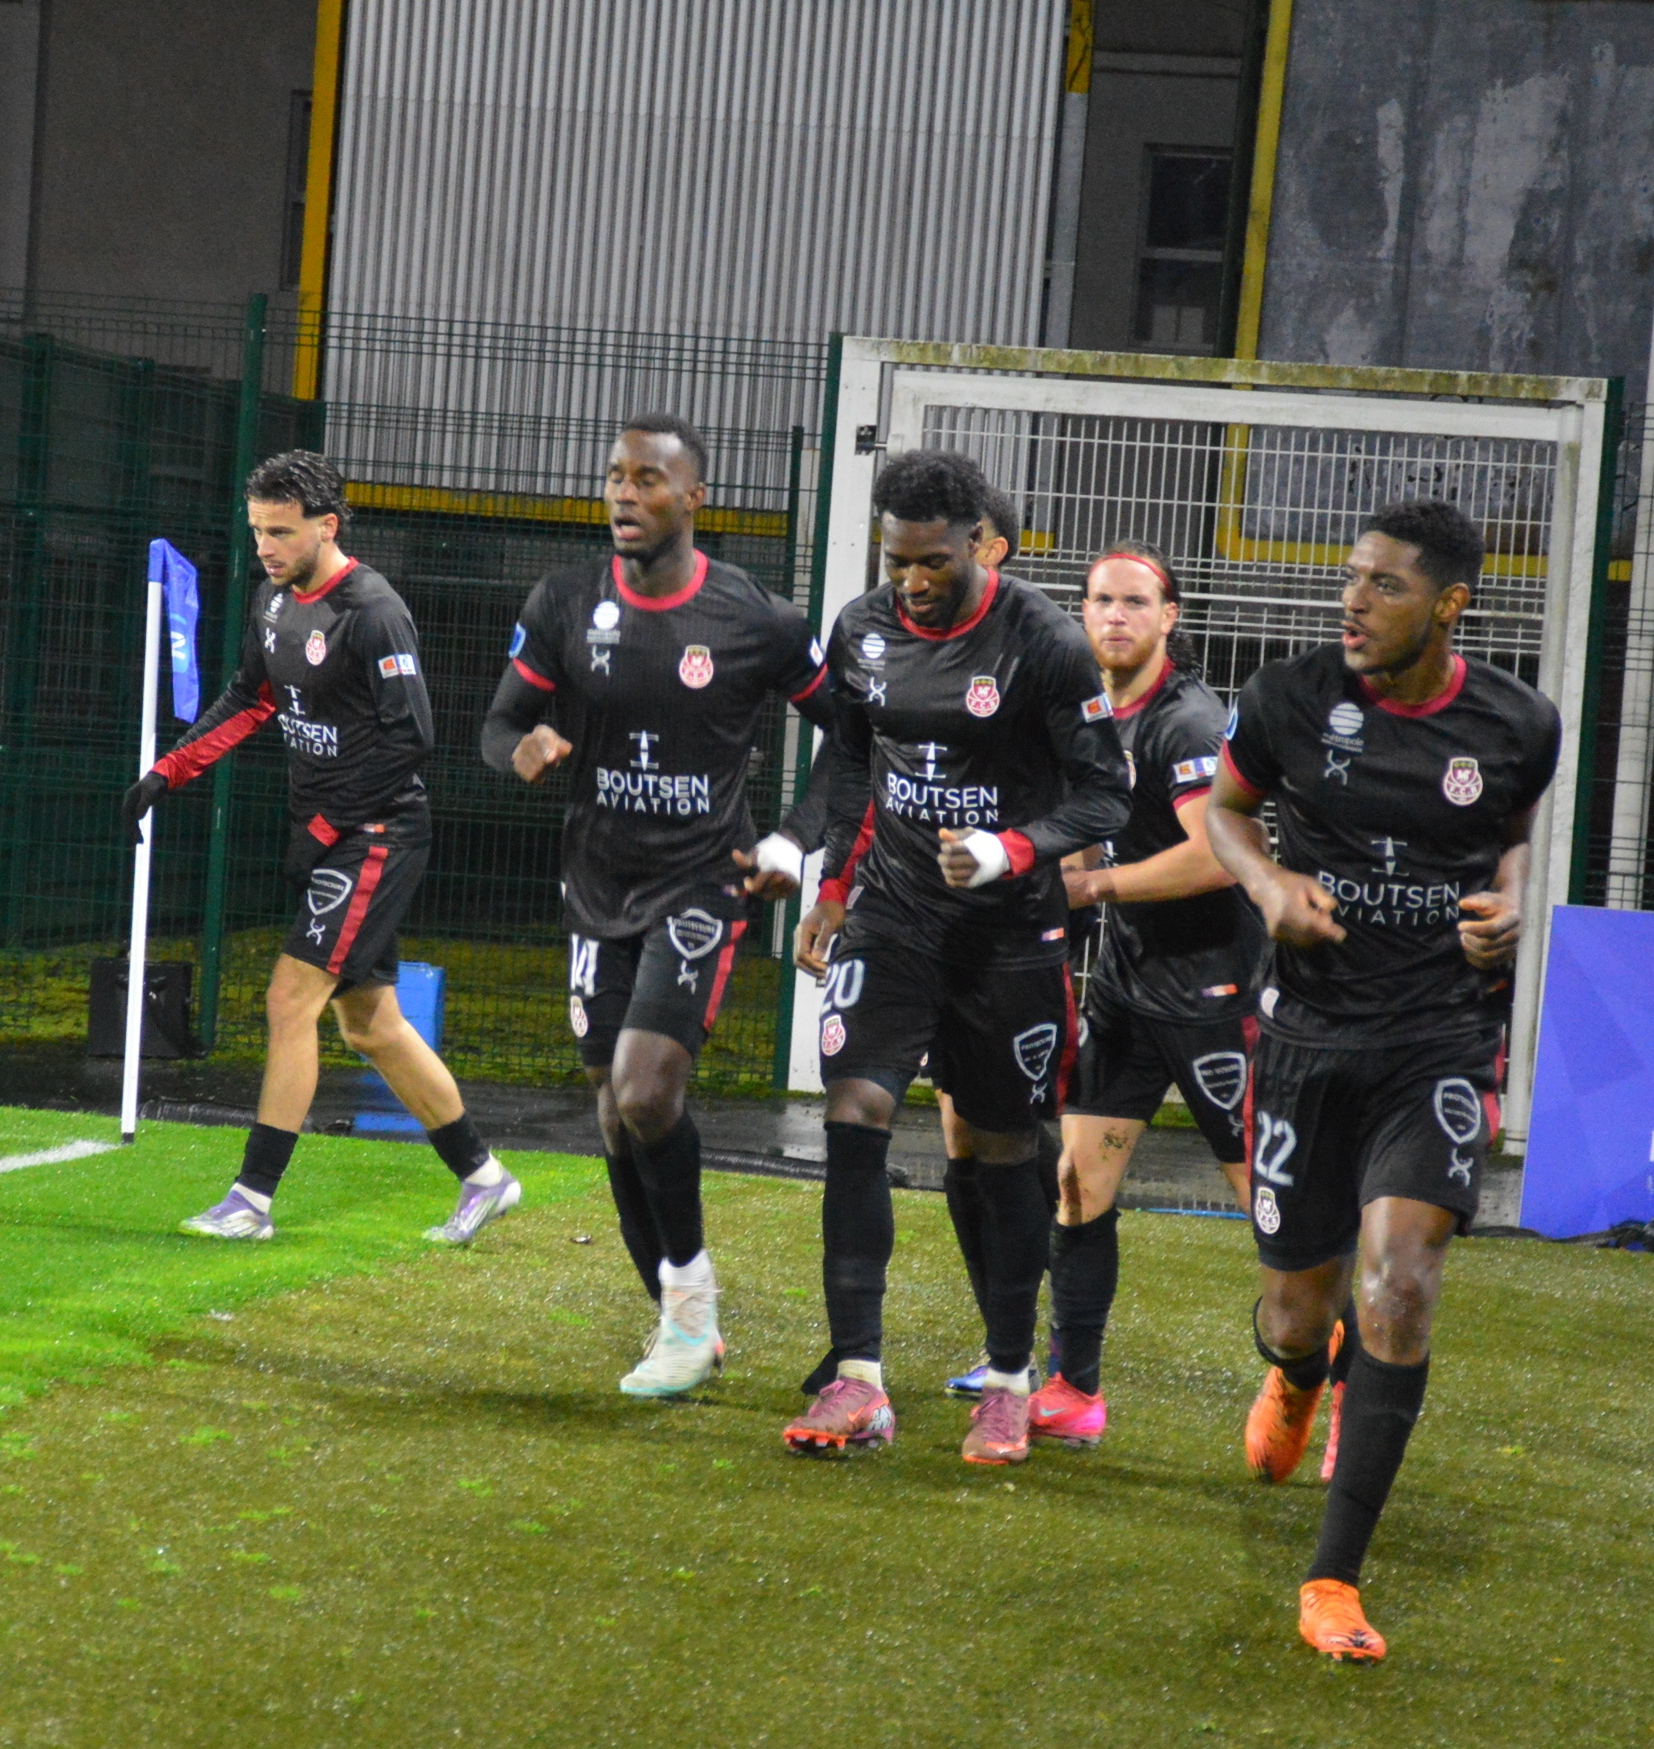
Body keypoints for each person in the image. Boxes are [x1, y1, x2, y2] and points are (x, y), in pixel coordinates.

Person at [1203, 498, 1558, 1664]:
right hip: (1305, 1036)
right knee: (1295, 1310)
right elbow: (1224, 811)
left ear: (1449, 604)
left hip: (1435, 1037)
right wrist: (1267, 887)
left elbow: (1511, 834)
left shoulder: (1517, 722)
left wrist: (1510, 900)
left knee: (1398, 1284)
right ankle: (1297, 1370)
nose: (1351, 602)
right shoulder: (1286, 697)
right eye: (1349, 578)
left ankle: (1331, 1576)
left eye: (1382, 585)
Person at [484, 412, 837, 1398]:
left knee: (645, 1092)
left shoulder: (756, 618)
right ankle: (680, 1316)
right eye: (614, 476)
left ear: (694, 496)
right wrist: (520, 747)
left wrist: (794, 839)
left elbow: (850, 736)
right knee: (612, 1110)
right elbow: (500, 720)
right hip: (595, 885)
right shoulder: (564, 601)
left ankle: (688, 1312)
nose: (624, 494)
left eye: (647, 478)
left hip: (701, 882)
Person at [784, 449, 1127, 1464]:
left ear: (980, 543)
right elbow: (852, 761)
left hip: (1007, 935)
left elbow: (1106, 794)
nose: (910, 580)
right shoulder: (861, 628)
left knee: (1003, 1146)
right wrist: (832, 886)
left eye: (931, 560)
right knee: (854, 1112)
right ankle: (858, 1375)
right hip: (892, 918)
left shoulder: (1045, 642)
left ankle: (1011, 1383)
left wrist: (1012, 847)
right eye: (896, 559)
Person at [125, 450, 518, 1245]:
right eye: (257, 530)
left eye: (280, 531)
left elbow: (412, 738)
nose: (264, 547)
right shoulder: (274, 601)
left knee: (289, 999)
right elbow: (251, 698)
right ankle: (485, 1176)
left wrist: (328, 824)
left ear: (327, 525)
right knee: (370, 1024)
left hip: (377, 832)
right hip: (331, 831)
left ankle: (251, 1198)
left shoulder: (372, 610)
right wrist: (169, 770)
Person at [1033, 542, 1266, 1449]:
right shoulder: (1090, 714)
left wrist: (1092, 887)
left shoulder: (1187, 720)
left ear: (1170, 618)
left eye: (1135, 602)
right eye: (1101, 600)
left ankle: (1336, 1386)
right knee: (1078, 1183)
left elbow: (1215, 855)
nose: (1115, 616)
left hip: (1214, 990)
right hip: (1128, 987)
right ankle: (1074, 1388)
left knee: (1273, 1207)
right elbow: (1102, 829)